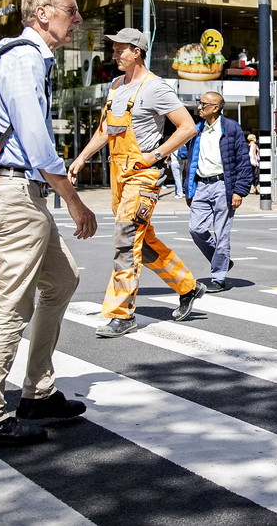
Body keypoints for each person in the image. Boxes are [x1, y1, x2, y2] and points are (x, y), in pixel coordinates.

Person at [0, 0, 98, 451]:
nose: (77, 18)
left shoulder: (25, 59)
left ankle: (37, 393)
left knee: (62, 280)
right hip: (16, 193)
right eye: (70, 9)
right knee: (13, 304)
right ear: (43, 14)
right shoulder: (22, 59)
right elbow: (37, 143)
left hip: (25, 193)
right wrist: (75, 200)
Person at [69, 27, 201, 338]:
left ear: (136, 52)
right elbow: (106, 130)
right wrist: (82, 157)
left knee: (125, 240)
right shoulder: (116, 86)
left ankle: (122, 313)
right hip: (119, 176)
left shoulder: (156, 88)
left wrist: (154, 155)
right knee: (141, 239)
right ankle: (188, 286)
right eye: (114, 49)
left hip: (142, 177)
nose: (114, 55)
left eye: (119, 50)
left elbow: (187, 127)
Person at [184, 91, 255, 293]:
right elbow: (189, 160)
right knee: (195, 228)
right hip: (201, 185)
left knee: (222, 233)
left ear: (215, 108)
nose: (199, 107)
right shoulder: (197, 129)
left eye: (203, 104)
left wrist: (239, 191)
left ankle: (218, 277)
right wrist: (190, 191)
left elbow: (243, 161)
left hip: (223, 185)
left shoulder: (231, 128)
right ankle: (221, 260)